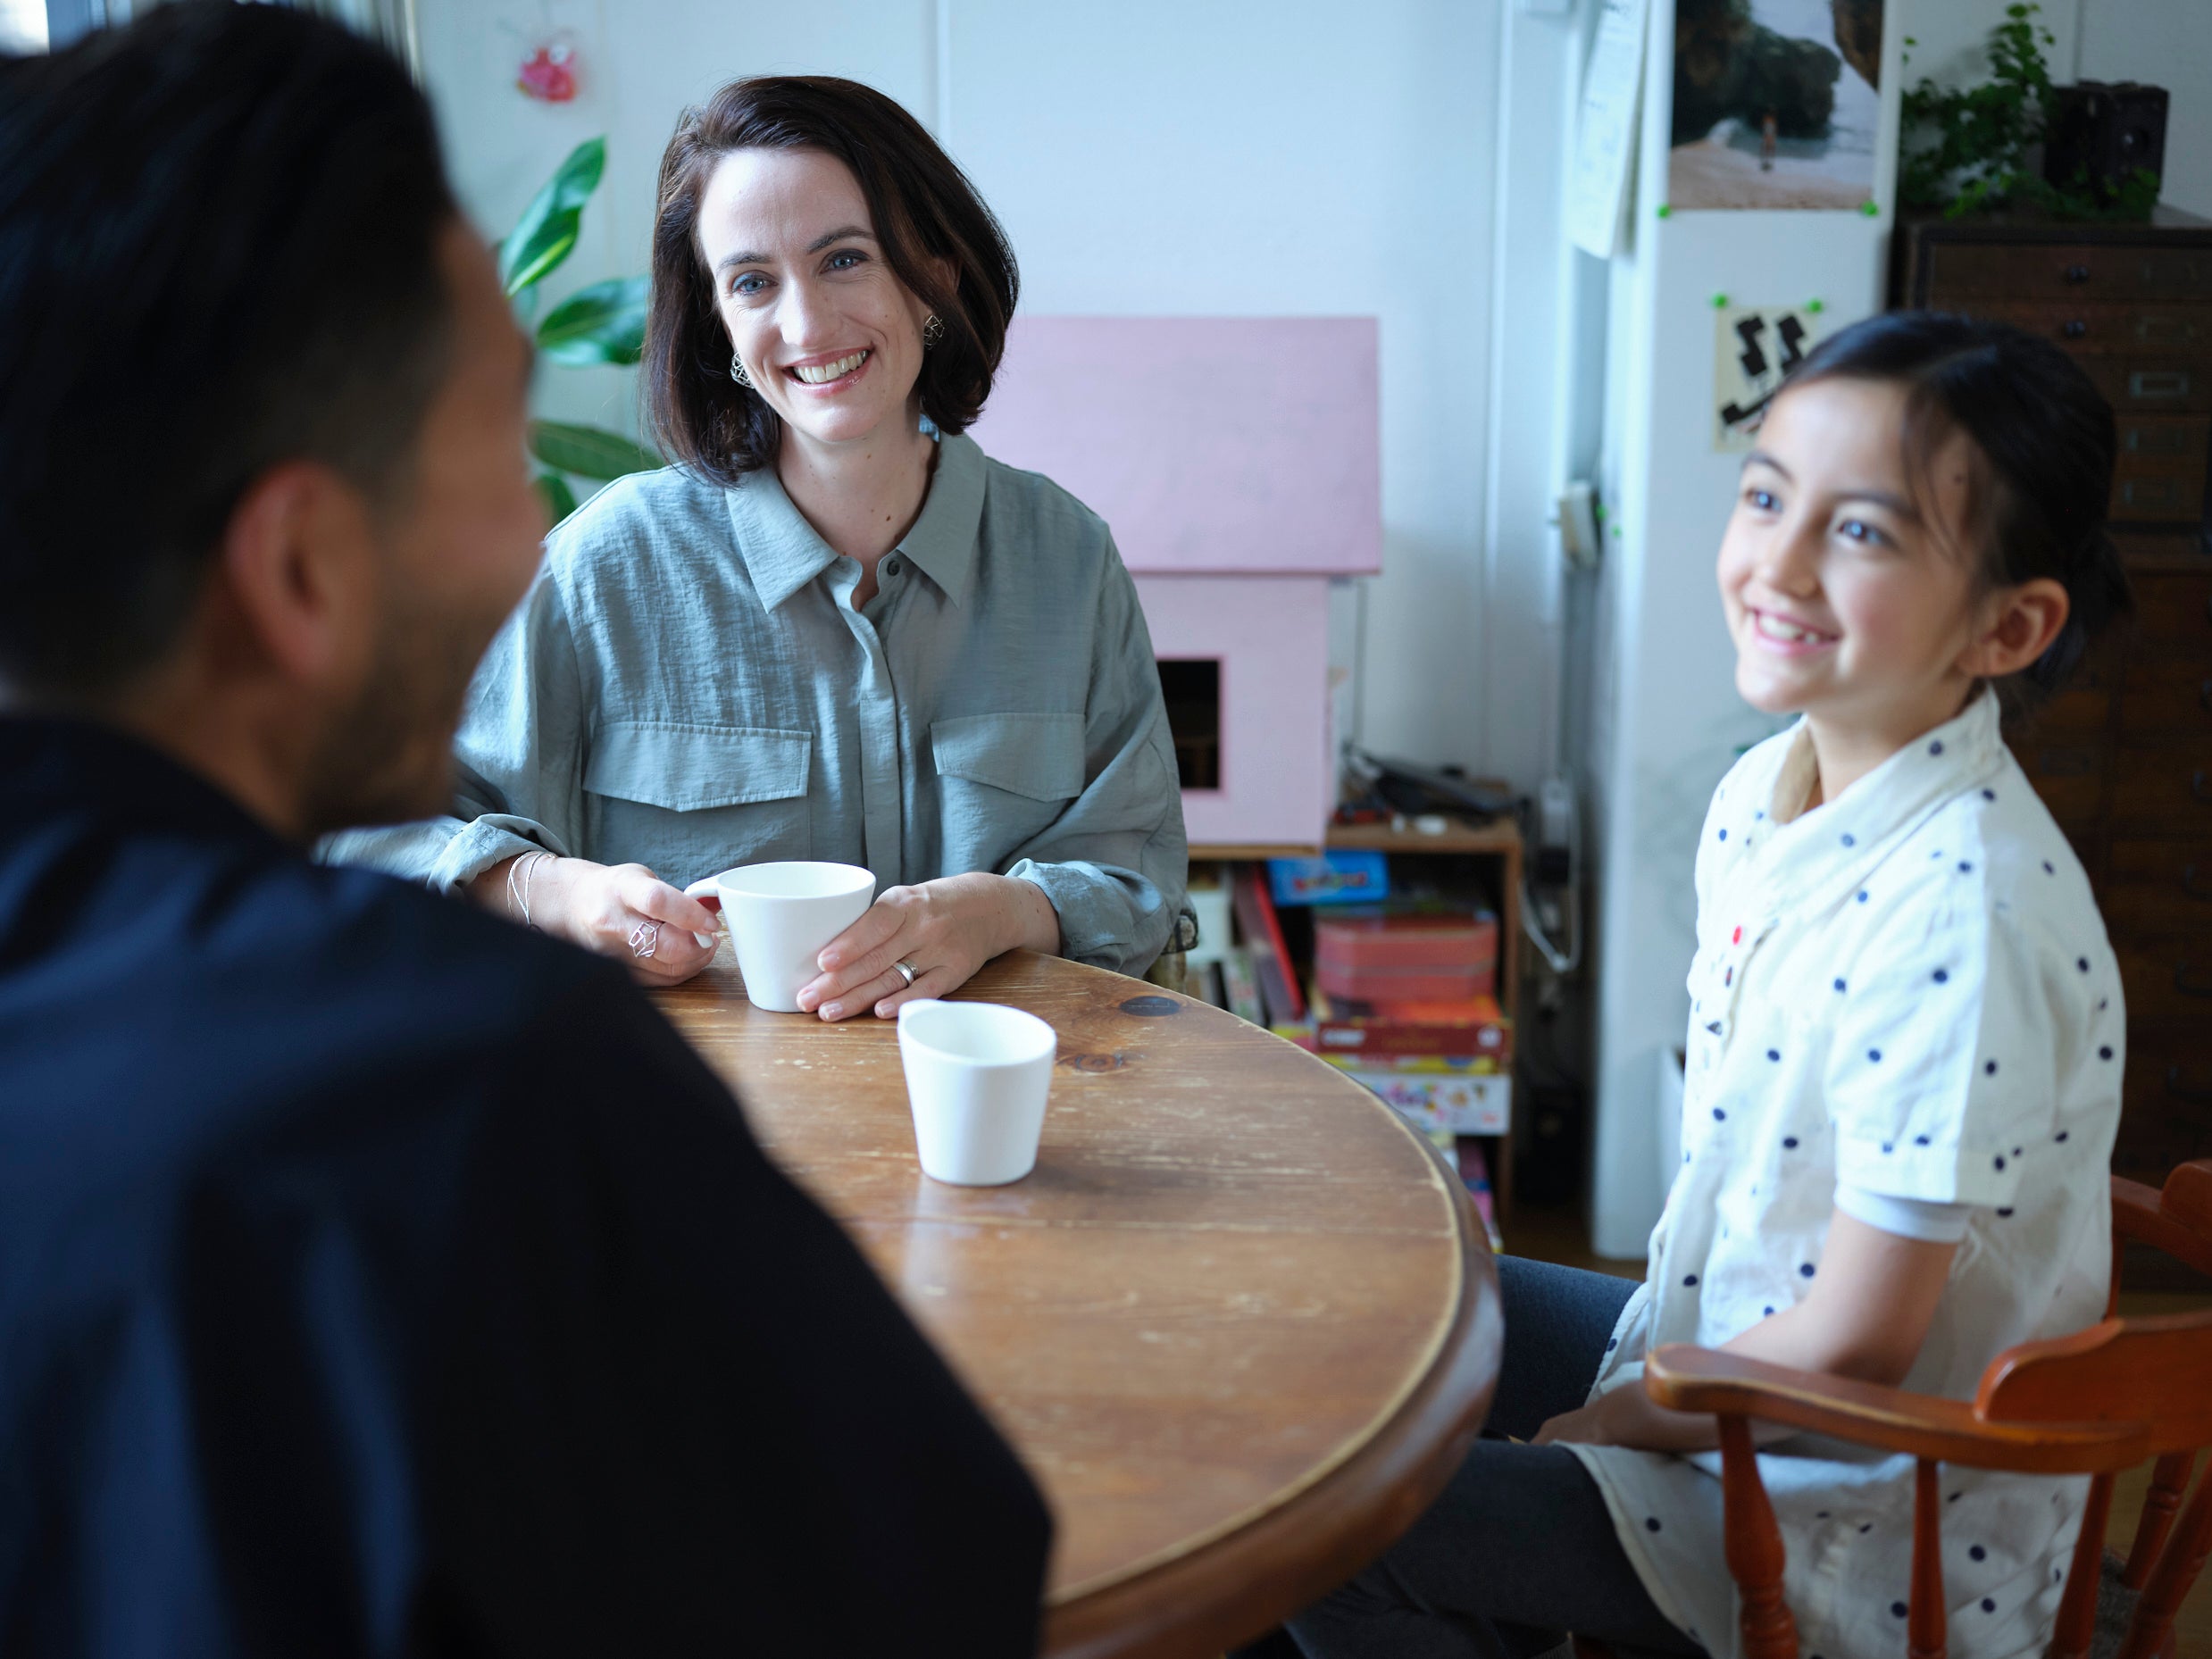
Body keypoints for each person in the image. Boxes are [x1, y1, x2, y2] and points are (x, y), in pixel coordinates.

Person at [0, 8, 1049, 1654]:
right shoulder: (469, 1075)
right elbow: (943, 1567)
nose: (528, 538)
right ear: (298, 567)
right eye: (491, 446)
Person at [1279, 313, 2133, 1658]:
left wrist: (1624, 1419)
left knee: (1318, 1528)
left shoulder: (1963, 913)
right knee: (1372, 1301)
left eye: (1863, 531)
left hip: (1849, 1505)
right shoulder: (1770, 786)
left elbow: (1854, 1345)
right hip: (1711, 1339)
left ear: (2008, 626)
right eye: (1765, 495)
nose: (1776, 563)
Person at [328, 74, 1190, 1019]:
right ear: (719, 326)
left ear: (933, 272)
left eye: (845, 259)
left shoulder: (1067, 559)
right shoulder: (605, 564)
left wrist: (1000, 910)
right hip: (687, 1134)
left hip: (1006, 1132)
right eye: (751, 281)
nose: (807, 325)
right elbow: (370, 831)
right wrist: (558, 893)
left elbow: (1136, 873)